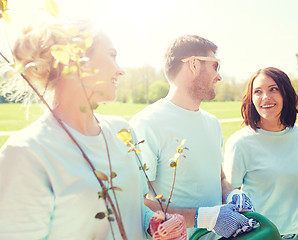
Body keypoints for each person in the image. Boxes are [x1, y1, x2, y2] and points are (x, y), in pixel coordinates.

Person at [0, 19, 187, 240]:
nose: (121, 71)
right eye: (112, 55)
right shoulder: (26, 152)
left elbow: (132, 210)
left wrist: (152, 224)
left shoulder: (122, 132)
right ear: (77, 60)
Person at [130, 35, 256, 240]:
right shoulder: (147, 123)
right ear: (194, 64)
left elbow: (220, 178)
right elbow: (136, 203)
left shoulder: (212, 123)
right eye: (215, 66)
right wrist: (204, 218)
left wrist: (232, 194)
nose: (219, 76)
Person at [223, 67, 298, 239]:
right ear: (251, 98)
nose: (265, 97)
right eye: (258, 91)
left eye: (273, 89)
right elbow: (229, 197)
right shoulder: (240, 142)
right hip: (260, 235)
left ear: (285, 93)